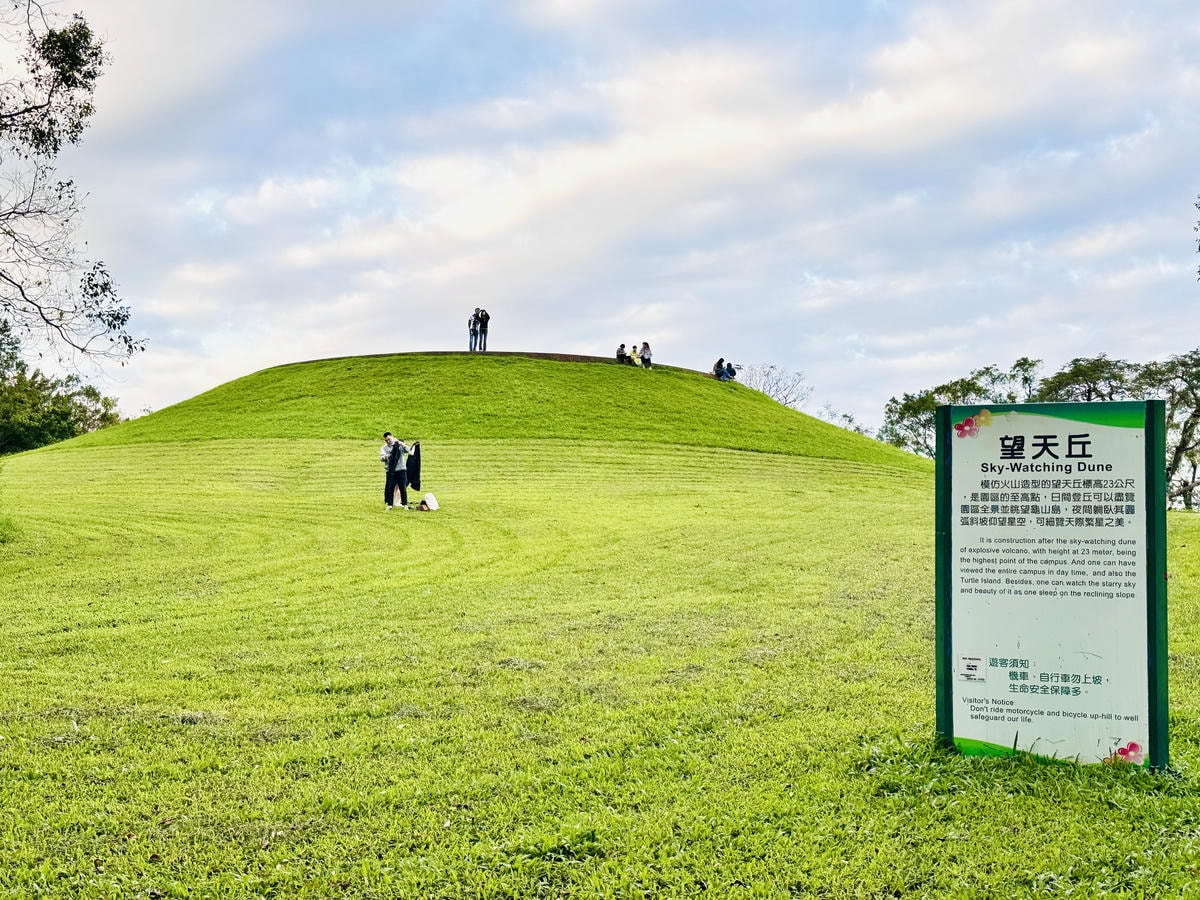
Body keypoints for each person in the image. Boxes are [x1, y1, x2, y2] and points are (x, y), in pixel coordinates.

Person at [380, 432, 410, 510]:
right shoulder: (384, 448)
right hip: (391, 471)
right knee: (390, 488)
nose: (388, 441)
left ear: (392, 437)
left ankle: (405, 504)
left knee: (402, 488)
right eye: (386, 440)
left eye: (389, 439)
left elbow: (409, 451)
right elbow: (381, 458)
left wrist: (402, 444)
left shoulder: (399, 445)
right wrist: (388, 456)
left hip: (401, 469)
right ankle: (390, 505)